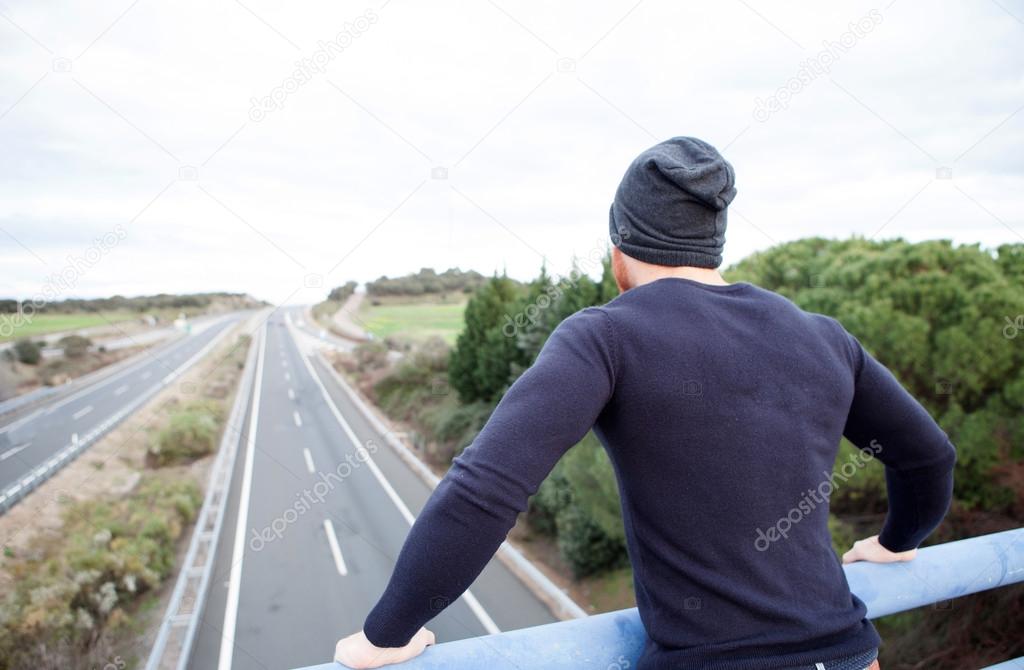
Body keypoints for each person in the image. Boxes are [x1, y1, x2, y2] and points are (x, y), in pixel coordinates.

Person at [334, 137, 956, 670]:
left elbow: (485, 490)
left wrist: (385, 633)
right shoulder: (821, 335)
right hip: (851, 654)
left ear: (619, 253)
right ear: (713, 246)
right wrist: (897, 541)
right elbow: (928, 457)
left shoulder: (605, 335)